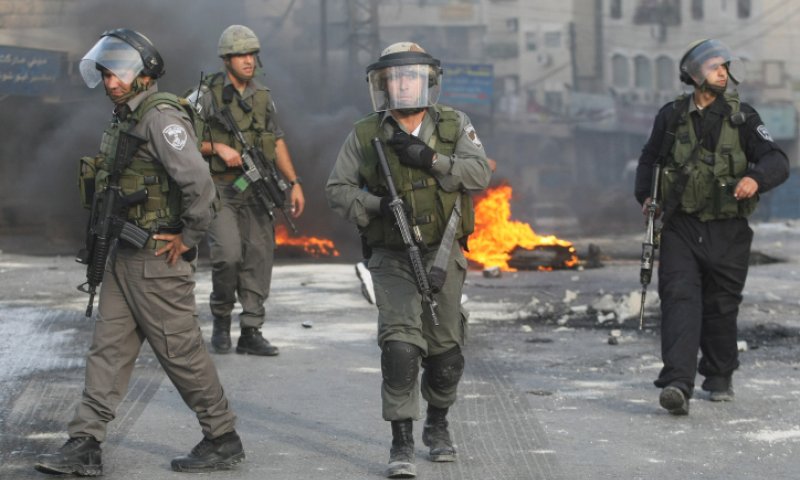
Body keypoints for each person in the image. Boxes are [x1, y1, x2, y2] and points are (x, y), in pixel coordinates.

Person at [34, 29, 244, 475]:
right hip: (124, 255)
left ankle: (222, 436)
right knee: (107, 350)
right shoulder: (126, 116)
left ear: (145, 75)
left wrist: (188, 239)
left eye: (121, 73)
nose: (111, 81)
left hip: (157, 261)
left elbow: (200, 186)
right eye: (107, 73)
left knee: (180, 353)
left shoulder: (160, 116)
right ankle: (84, 443)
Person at [326, 42, 491, 478]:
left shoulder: (454, 125)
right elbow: (337, 190)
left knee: (446, 354)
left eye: (411, 76)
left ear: (426, 82)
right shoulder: (366, 133)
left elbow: (480, 173)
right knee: (400, 347)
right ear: (384, 85)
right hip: (392, 256)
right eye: (395, 77)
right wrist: (376, 205)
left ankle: (437, 424)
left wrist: (433, 160)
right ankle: (401, 440)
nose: (403, 84)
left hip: (444, 252)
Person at [635, 39, 789, 415]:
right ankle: (677, 384)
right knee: (679, 301)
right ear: (694, 75)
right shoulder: (670, 117)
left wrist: (756, 178)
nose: (724, 73)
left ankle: (719, 375)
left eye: (725, 67)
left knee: (721, 306)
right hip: (681, 227)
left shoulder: (744, 117)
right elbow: (649, 159)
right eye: (716, 67)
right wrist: (646, 197)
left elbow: (777, 159)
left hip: (728, 229)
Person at [188, 25, 305, 356]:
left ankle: (251, 330)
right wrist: (217, 149)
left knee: (259, 256)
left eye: (252, 53)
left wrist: (294, 182)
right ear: (226, 59)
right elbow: (179, 138)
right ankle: (221, 318)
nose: (248, 60)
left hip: (255, 189)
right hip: (220, 189)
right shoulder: (206, 94)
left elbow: (276, 138)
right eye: (241, 54)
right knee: (228, 255)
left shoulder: (263, 97)